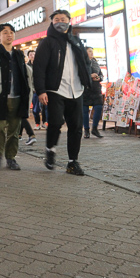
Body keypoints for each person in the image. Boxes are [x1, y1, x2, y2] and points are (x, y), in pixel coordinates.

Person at [33, 9, 91, 176]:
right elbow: (39, 68)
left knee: (76, 127)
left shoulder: (76, 42)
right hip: (55, 89)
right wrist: (41, 91)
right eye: (56, 19)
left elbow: (85, 63)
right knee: (56, 122)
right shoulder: (47, 42)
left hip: (76, 90)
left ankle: (73, 162)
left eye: (63, 19)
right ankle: (50, 149)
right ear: (52, 23)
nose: (60, 22)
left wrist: (87, 81)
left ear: (69, 21)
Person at [0, 24, 33, 171]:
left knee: (14, 130)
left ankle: (11, 158)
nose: (9, 35)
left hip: (17, 97)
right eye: (5, 33)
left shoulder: (19, 55)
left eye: (11, 32)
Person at [82, 47, 105, 139]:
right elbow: (78, 75)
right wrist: (89, 76)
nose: (92, 53)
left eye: (92, 51)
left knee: (99, 106)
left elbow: (101, 75)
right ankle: (86, 130)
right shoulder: (81, 63)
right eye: (89, 51)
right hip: (85, 89)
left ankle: (95, 128)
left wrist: (99, 77)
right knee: (85, 110)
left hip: (96, 88)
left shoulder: (95, 62)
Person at [28, 50, 46, 130]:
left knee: (45, 108)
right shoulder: (26, 66)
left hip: (42, 90)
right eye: (30, 54)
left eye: (34, 54)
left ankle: (45, 122)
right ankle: (37, 123)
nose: (32, 56)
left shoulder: (41, 64)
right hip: (33, 90)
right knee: (35, 109)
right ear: (28, 56)